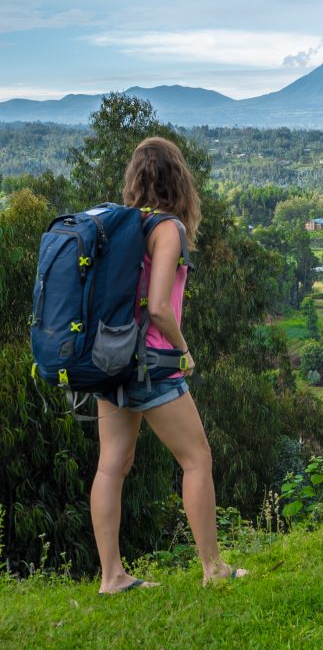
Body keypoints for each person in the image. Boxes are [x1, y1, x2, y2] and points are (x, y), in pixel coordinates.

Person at [91, 136, 247, 593]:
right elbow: (160, 307)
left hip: (110, 359)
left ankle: (112, 577)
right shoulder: (167, 229)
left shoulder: (120, 225)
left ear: (135, 179)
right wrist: (183, 349)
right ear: (179, 178)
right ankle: (213, 567)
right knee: (197, 458)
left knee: (110, 467)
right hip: (153, 362)